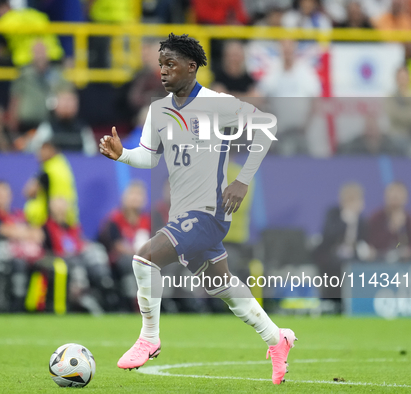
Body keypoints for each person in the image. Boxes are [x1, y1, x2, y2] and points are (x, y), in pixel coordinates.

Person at [98, 33, 295, 385]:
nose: (163, 71)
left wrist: (243, 180)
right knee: (222, 285)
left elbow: (268, 126)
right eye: (160, 64)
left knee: (144, 258)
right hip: (183, 213)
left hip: (209, 211)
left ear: (192, 66)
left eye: (170, 64)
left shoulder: (218, 105)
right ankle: (276, 339)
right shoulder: (159, 110)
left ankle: (149, 338)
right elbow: (149, 155)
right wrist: (123, 155)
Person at [0, 180, 44, 311]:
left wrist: (23, 233)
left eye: (3, 193)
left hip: (29, 258)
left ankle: (40, 306)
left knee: (46, 265)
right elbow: (7, 231)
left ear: (10, 195)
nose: (0, 197)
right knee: (18, 264)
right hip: (3, 261)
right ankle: (17, 307)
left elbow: (39, 235)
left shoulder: (19, 215)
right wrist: (25, 233)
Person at [98, 181, 151, 311]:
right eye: (132, 194)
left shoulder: (147, 220)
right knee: (130, 263)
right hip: (121, 260)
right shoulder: (115, 219)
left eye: (139, 195)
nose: (135, 198)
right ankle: (132, 303)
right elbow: (117, 245)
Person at [314, 183, 371, 297]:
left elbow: (363, 241)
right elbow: (327, 238)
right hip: (331, 257)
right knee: (338, 267)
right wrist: (345, 220)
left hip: (353, 258)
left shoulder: (362, 220)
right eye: (349, 199)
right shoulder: (333, 214)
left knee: (361, 267)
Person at [23, 139, 79, 228]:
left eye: (42, 150)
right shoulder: (63, 166)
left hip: (51, 220)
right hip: (67, 218)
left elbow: (29, 192)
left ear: (50, 150)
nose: (38, 154)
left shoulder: (48, 170)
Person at [30, 90, 97, 155]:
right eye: (63, 101)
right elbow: (34, 150)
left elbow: (91, 153)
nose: (66, 105)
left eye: (70, 101)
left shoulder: (83, 128)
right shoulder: (47, 127)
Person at [368, 182, 411, 262]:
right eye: (393, 197)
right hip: (381, 257)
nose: (395, 200)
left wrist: (408, 251)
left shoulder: (408, 219)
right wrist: (392, 228)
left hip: (403, 258)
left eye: (398, 197)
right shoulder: (377, 217)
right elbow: (374, 244)